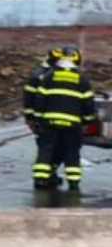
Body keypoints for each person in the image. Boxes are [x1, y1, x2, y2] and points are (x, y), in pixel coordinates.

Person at [24, 46, 94, 206]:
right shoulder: (82, 80)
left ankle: (41, 180)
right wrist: (87, 121)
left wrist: (38, 119)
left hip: (49, 122)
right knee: (72, 152)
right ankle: (74, 184)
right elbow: (88, 104)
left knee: (45, 150)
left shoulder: (48, 77)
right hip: (73, 124)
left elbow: (39, 100)